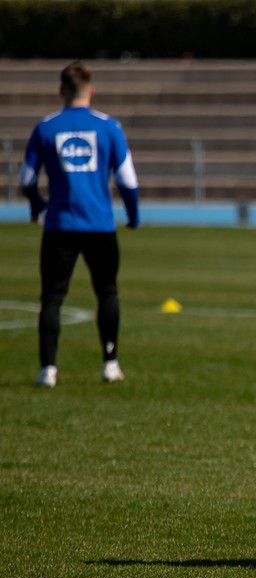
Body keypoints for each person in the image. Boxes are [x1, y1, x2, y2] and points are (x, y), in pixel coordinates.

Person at [19, 60, 140, 387]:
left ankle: (48, 370)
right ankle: (110, 363)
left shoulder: (46, 127)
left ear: (61, 90)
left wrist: (39, 206)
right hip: (100, 225)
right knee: (107, 292)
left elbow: (26, 178)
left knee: (52, 298)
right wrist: (133, 215)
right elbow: (128, 180)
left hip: (59, 225)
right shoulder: (109, 127)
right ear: (91, 91)